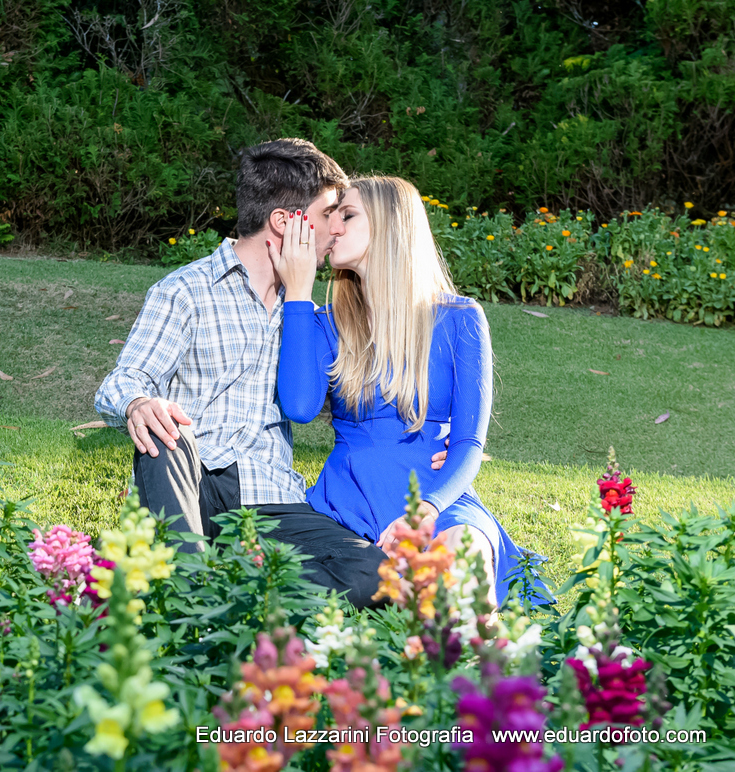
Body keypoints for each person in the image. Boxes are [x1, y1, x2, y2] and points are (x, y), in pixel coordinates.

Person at [93, 140, 446, 609]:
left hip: (270, 497)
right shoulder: (186, 290)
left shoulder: (312, 319)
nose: (336, 230)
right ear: (285, 222)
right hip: (189, 480)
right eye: (328, 215)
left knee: (378, 577)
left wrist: (436, 438)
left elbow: (346, 399)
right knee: (165, 431)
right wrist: (139, 403)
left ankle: (215, 588)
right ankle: (191, 585)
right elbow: (122, 381)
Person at [270, 175, 543, 606]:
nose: (333, 227)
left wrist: (427, 509)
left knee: (460, 557)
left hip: (437, 499)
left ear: (390, 225)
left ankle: (474, 641)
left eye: (348, 214)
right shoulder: (325, 321)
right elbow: (300, 406)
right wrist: (299, 292)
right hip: (348, 502)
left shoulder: (460, 319)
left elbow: (470, 443)